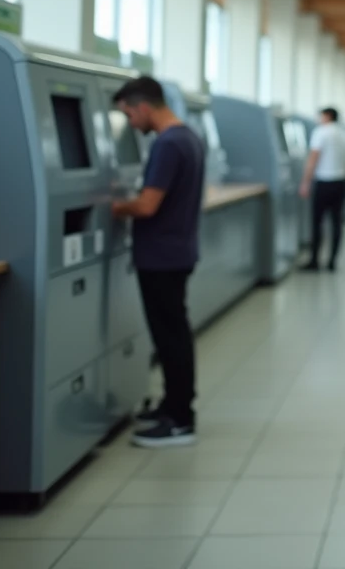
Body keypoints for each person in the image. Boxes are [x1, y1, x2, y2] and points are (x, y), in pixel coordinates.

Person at [111, 76, 206, 449]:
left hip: (161, 257)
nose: (131, 123)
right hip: (177, 251)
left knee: (170, 337)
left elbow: (147, 205)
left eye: (129, 114)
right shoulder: (189, 137)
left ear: (144, 107)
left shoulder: (167, 144)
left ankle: (181, 420)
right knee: (173, 334)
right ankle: (171, 406)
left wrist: (111, 207)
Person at [300, 107, 345, 273]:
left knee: (317, 222)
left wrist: (305, 183)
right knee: (337, 222)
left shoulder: (321, 132)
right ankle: (332, 261)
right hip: (341, 183)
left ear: (327, 116)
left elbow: (313, 159)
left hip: (323, 183)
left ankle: (314, 261)